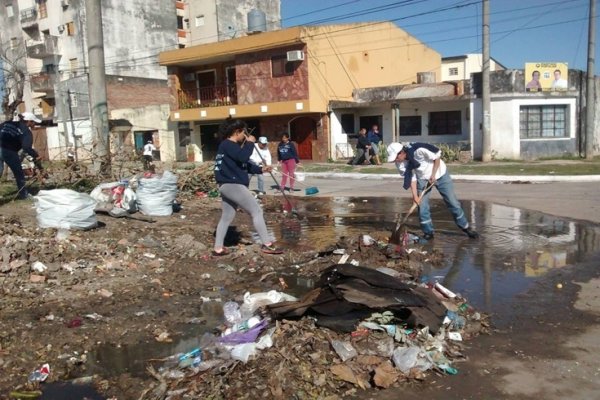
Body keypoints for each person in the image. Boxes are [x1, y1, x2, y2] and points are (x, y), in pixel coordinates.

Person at [213, 117, 283, 256]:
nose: (244, 136)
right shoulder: (228, 145)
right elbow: (243, 157)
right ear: (236, 131)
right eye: (243, 133)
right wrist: (251, 144)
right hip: (233, 185)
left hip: (226, 185)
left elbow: (244, 164)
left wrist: (261, 169)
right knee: (256, 211)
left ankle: (218, 248)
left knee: (227, 215)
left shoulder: (229, 147)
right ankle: (267, 244)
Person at [386, 142, 479, 240]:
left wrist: (433, 174)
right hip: (422, 179)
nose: (395, 161)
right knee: (422, 207)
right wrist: (415, 196)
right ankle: (428, 233)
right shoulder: (400, 163)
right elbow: (411, 177)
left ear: (401, 153)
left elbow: (437, 156)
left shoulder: (419, 149)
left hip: (440, 174)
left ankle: (465, 227)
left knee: (452, 203)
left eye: (395, 158)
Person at [0, 112, 43, 199]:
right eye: (34, 122)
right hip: (8, 151)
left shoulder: (7, 123)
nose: (34, 124)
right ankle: (23, 195)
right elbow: (26, 148)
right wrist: (36, 155)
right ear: (29, 121)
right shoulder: (26, 132)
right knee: (19, 173)